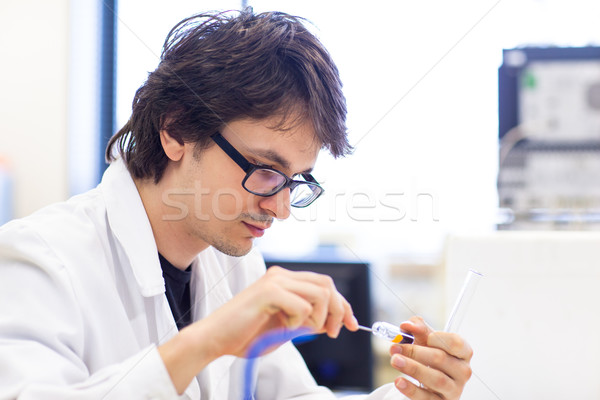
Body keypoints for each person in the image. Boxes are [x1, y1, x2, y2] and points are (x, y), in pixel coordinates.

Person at [0, 8, 472, 400]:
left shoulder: (233, 263)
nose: (281, 208)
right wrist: (207, 340)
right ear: (176, 130)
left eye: (296, 180)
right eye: (265, 169)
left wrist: (411, 394)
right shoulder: (41, 259)